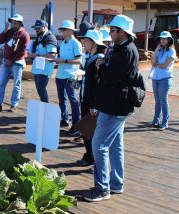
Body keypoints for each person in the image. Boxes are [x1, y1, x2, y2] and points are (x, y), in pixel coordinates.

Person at [82, 15, 139, 202]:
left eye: (112, 30)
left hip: (114, 106)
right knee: (115, 145)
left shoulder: (125, 51)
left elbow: (112, 78)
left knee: (99, 145)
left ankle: (102, 188)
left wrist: (101, 66)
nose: (109, 33)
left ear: (121, 32)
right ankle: (115, 183)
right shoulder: (121, 48)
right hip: (116, 104)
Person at [0, 14, 30, 113]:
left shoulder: (24, 35)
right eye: (12, 23)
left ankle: (14, 104)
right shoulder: (9, 32)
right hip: (6, 62)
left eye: (15, 23)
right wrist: (5, 30)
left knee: (16, 84)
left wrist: (11, 61)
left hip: (17, 63)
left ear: (20, 24)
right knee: (1, 83)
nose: (13, 25)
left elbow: (22, 52)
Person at [77, 29, 107, 167]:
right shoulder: (91, 58)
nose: (84, 42)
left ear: (94, 43)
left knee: (91, 132)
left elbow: (97, 84)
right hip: (86, 100)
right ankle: (90, 156)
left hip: (91, 103)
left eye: (86, 40)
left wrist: (94, 104)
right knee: (86, 131)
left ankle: (95, 160)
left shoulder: (98, 60)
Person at [55, 20, 82, 136]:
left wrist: (64, 60)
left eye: (64, 29)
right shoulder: (63, 43)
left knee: (73, 100)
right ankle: (65, 119)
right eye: (62, 29)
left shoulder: (75, 43)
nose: (63, 31)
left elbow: (79, 61)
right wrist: (57, 60)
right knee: (62, 99)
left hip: (71, 76)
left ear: (71, 31)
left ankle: (76, 125)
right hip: (60, 74)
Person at [149, 31, 176, 130]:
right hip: (155, 78)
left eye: (164, 38)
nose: (162, 40)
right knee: (157, 101)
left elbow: (165, 66)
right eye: (161, 38)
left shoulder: (172, 51)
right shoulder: (159, 50)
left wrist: (157, 65)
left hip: (165, 78)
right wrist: (156, 50)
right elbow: (152, 63)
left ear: (169, 40)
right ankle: (155, 121)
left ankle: (164, 123)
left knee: (163, 101)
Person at [28, 19, 58, 103]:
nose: (36, 30)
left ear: (44, 27)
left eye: (38, 28)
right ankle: (43, 109)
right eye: (35, 28)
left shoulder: (50, 37)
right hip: (38, 68)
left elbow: (52, 55)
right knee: (40, 90)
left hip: (44, 70)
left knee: (41, 90)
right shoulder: (40, 37)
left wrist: (36, 55)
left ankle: (45, 109)